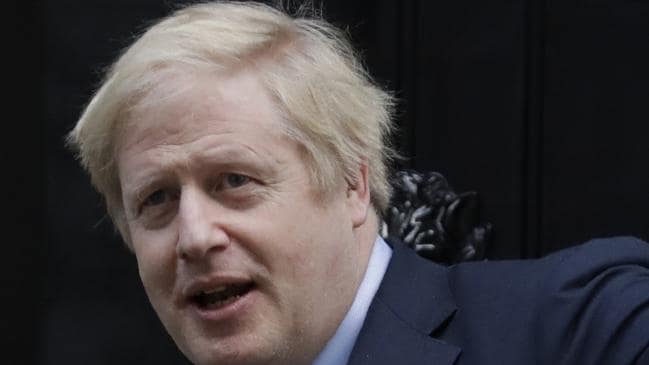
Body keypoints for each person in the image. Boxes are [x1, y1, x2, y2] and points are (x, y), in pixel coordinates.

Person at [67, 2, 649, 364]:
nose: (194, 236)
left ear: (352, 183)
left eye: (234, 181)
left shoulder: (581, 325)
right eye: (157, 199)